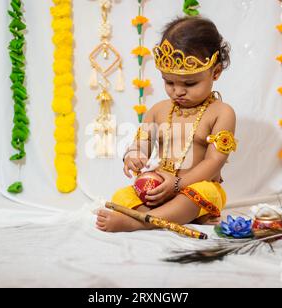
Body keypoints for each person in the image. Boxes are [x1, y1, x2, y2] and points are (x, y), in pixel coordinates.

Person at [96, 16, 237, 232]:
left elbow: (214, 162)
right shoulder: (158, 110)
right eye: (169, 82)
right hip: (158, 186)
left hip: (195, 186)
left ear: (215, 72)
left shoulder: (221, 113)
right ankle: (169, 216)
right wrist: (134, 156)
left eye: (189, 83)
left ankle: (139, 222)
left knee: (202, 194)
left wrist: (178, 185)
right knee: (122, 196)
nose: (177, 91)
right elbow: (141, 143)